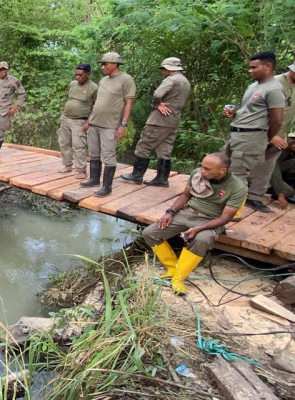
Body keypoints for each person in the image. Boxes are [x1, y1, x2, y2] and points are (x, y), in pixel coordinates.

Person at [142, 153, 247, 295]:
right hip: (188, 212)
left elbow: (225, 219)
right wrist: (170, 212)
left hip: (211, 219)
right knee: (149, 233)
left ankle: (178, 278)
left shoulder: (238, 187)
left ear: (222, 171)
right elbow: (185, 195)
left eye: (207, 169)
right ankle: (172, 267)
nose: (202, 170)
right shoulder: (197, 174)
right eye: (202, 166)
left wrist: (198, 229)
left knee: (202, 239)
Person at [223, 51, 286, 213]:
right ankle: (223, 202)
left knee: (239, 174)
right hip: (237, 133)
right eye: (249, 67)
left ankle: (233, 212)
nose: (250, 71)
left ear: (267, 66)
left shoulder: (274, 90)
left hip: (251, 135)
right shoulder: (254, 86)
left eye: (254, 67)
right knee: (223, 165)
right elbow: (251, 112)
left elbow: (277, 119)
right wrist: (234, 113)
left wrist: (268, 136)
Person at [122, 57, 191, 187]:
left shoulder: (171, 79)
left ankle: (137, 175)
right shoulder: (185, 81)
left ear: (168, 68)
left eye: (163, 69)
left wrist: (157, 104)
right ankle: (162, 179)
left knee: (144, 146)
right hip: (173, 120)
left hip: (159, 120)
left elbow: (158, 94)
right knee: (165, 149)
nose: (162, 71)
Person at [81, 52, 136, 197]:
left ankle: (107, 187)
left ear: (114, 64)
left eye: (105, 64)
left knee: (109, 155)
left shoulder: (126, 80)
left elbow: (129, 104)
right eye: (101, 64)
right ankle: (94, 179)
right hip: (94, 123)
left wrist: (123, 125)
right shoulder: (103, 80)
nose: (102, 67)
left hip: (110, 125)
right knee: (94, 153)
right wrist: (88, 121)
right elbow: (97, 102)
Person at [252, 60, 295, 210]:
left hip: (280, 135)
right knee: (255, 166)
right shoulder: (275, 84)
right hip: (263, 133)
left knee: (269, 166)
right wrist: (271, 134)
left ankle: (259, 194)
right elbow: (255, 111)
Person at [57, 63, 98, 179]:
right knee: (63, 142)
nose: (77, 77)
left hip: (80, 121)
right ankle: (67, 165)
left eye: (80, 75)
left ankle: (81, 170)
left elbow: (95, 107)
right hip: (66, 118)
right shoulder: (72, 84)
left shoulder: (93, 88)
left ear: (88, 74)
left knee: (78, 145)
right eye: (76, 75)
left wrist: (88, 122)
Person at [270, 133, 295, 206]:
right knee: (289, 191)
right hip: (266, 174)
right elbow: (273, 169)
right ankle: (273, 190)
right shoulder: (278, 148)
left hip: (279, 173)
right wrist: (280, 194)